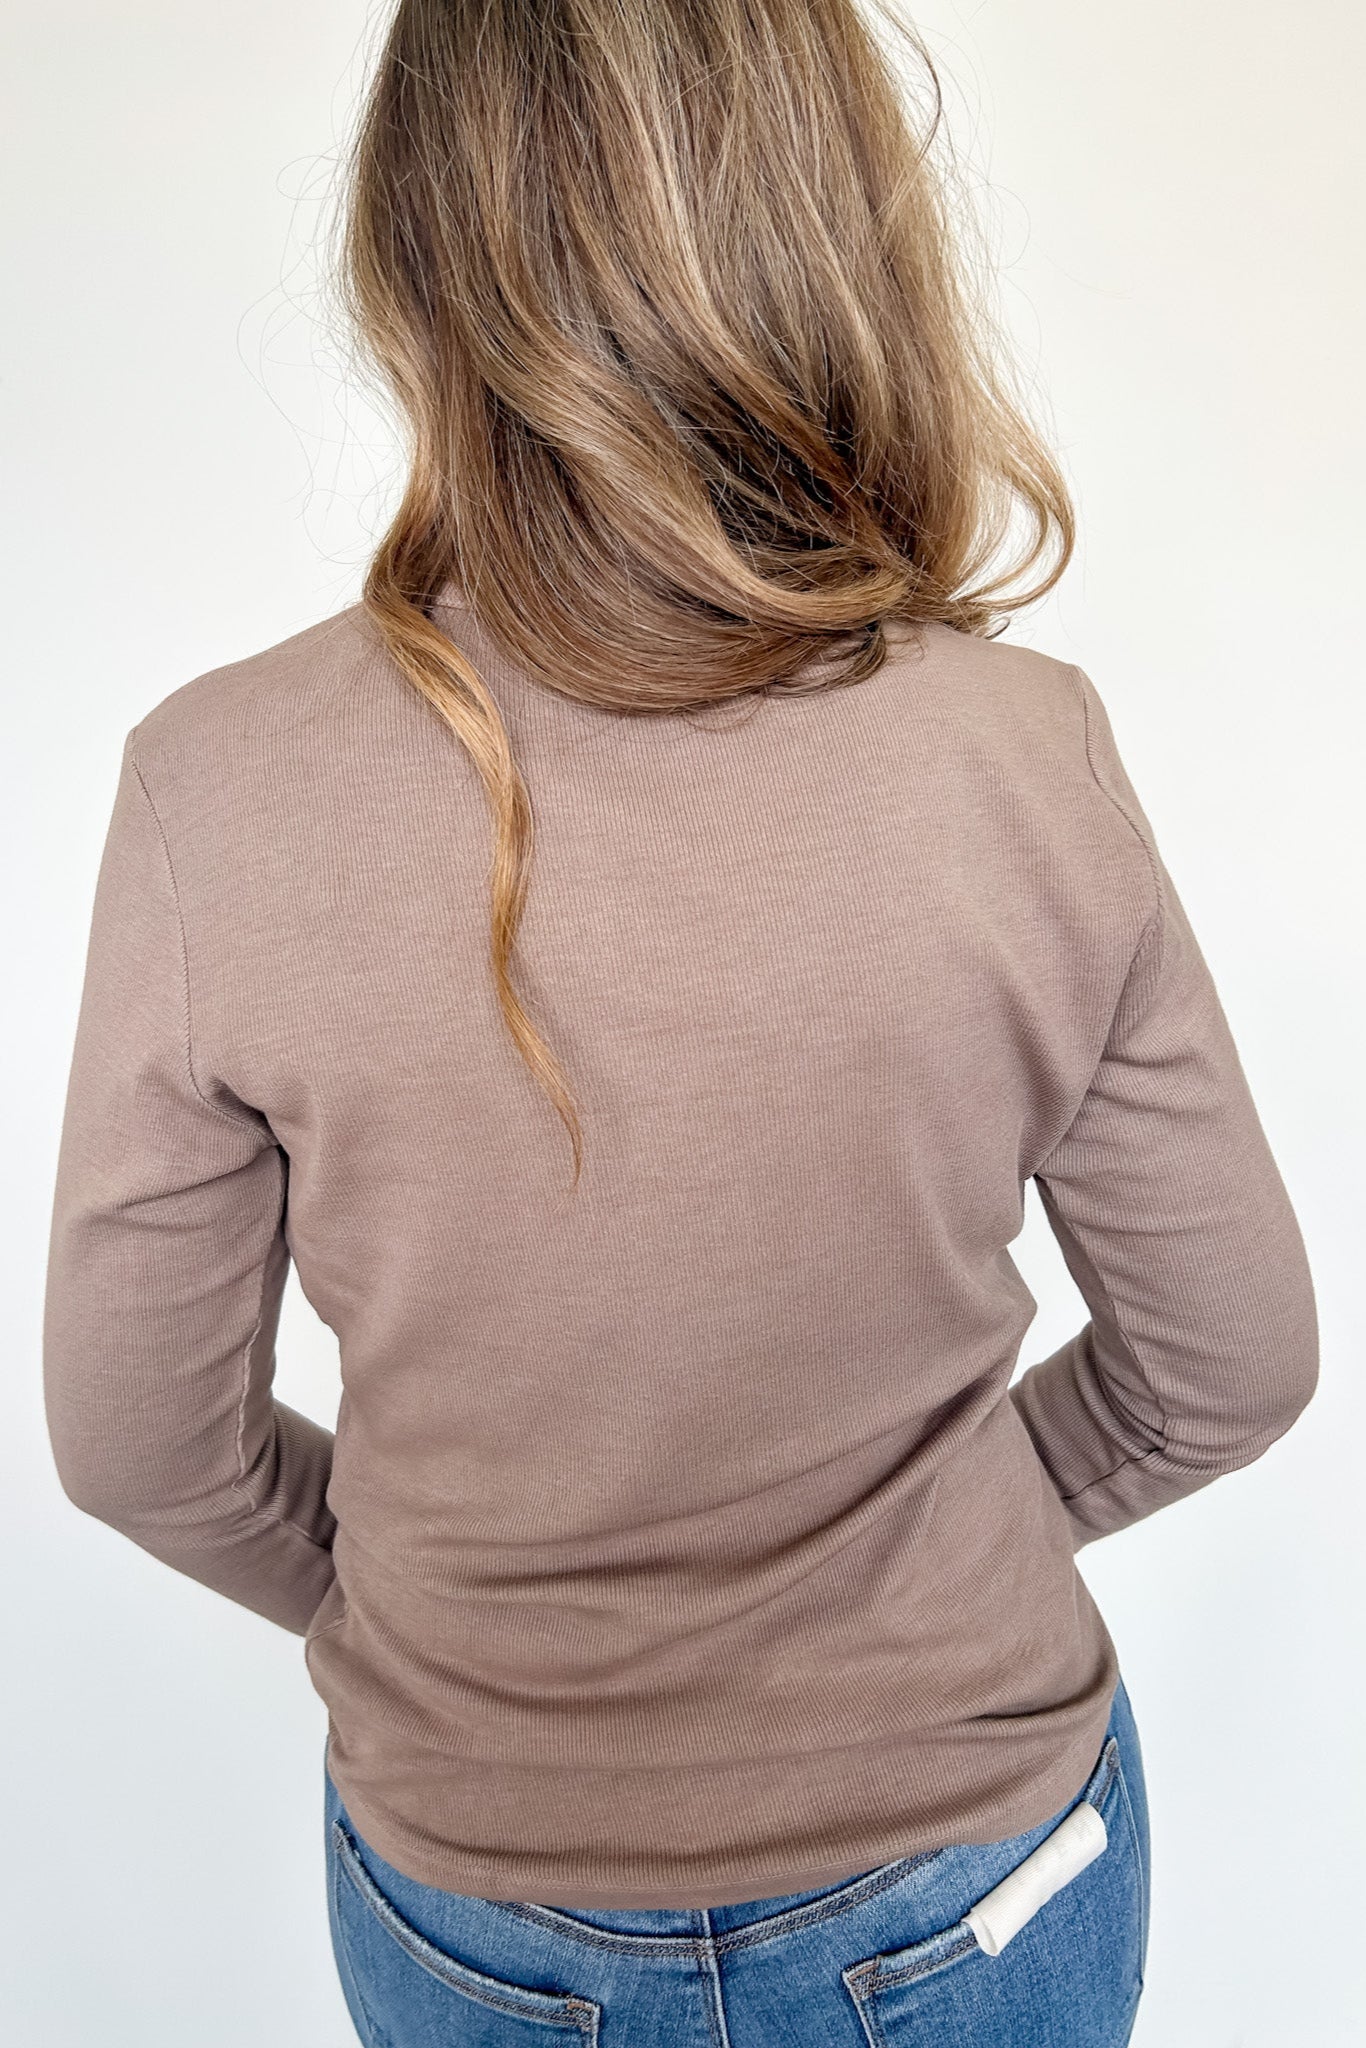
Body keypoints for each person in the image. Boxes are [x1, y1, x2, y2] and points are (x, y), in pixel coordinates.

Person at [41, 2, 1319, 2042]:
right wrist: (919, 1550)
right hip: (975, 1869)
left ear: (415, 257)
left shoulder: (214, 786)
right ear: (831, 236)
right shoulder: (1017, 755)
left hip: (474, 1895)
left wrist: (425, 1610)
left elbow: (137, 1443)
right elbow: (1229, 1363)